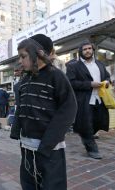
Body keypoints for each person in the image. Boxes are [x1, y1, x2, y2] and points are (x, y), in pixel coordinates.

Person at [10, 34, 77, 190]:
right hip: (27, 147)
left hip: (49, 149)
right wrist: (16, 131)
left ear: (38, 54)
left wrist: (47, 143)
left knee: (52, 185)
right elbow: (21, 107)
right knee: (28, 184)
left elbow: (69, 109)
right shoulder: (25, 80)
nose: (20, 61)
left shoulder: (56, 76)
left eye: (23, 56)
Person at [66, 40, 111, 159]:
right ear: (80, 52)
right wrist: (90, 84)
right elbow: (71, 83)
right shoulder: (73, 66)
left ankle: (86, 134)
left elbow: (107, 76)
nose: (87, 51)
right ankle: (92, 148)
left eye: (89, 49)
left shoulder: (100, 64)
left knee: (99, 121)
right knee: (86, 124)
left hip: (100, 98)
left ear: (93, 50)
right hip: (84, 100)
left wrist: (107, 81)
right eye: (85, 49)